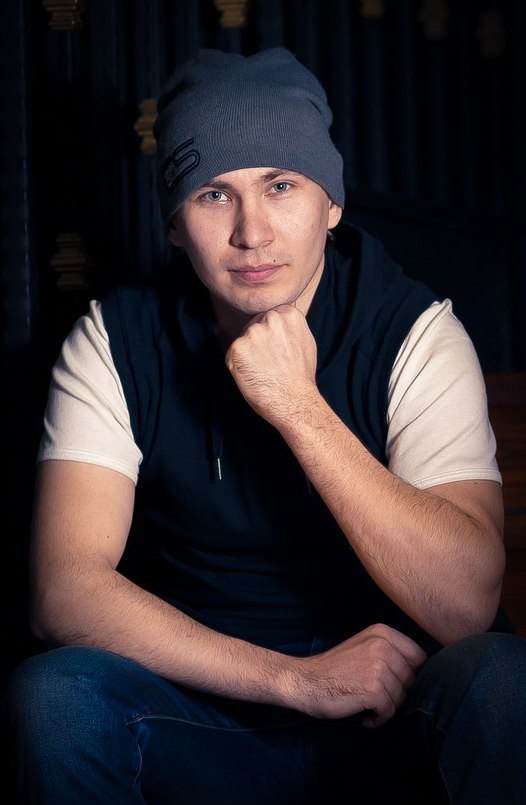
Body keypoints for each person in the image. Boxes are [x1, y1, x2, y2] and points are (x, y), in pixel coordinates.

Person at [5, 47, 526, 804]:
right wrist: (295, 680)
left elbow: (465, 603)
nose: (252, 233)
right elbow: (63, 590)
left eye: (281, 185)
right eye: (214, 194)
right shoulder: (113, 341)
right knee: (56, 695)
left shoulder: (415, 329)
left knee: (503, 677)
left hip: (391, 709)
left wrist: (296, 404)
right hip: (208, 711)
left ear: (331, 204)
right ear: (175, 224)